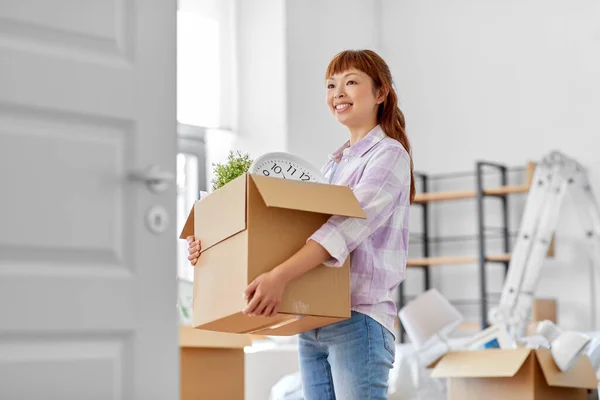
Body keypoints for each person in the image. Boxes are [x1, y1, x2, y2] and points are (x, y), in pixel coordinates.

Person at [186, 49, 415, 399]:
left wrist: (279, 277)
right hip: (314, 322)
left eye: (351, 82)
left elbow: (342, 229)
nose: (338, 93)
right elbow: (290, 232)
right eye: (331, 85)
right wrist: (213, 246)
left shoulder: (390, 156)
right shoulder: (333, 165)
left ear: (381, 92)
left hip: (359, 320)